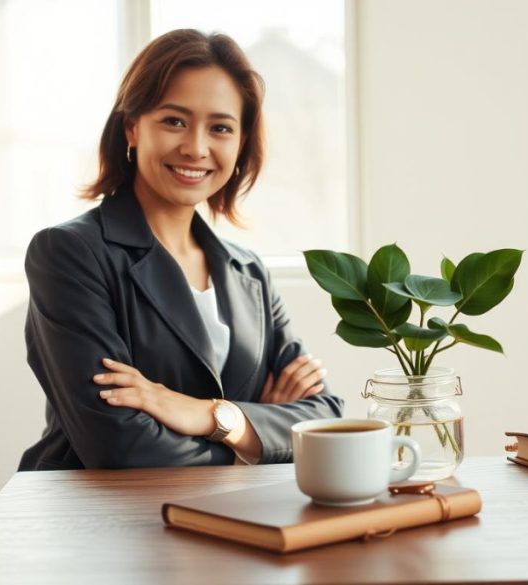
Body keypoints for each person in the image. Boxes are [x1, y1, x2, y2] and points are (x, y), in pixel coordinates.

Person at [17, 30, 343, 471]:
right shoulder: (69, 254)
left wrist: (205, 414)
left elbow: (327, 421)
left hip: (232, 518)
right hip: (102, 523)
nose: (196, 147)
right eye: (174, 121)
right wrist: (254, 436)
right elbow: (119, 447)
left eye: (221, 128)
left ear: (241, 142)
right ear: (132, 127)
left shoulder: (248, 271)